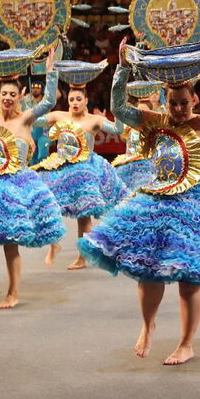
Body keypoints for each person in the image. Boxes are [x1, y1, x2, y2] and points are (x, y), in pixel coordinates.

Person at [79, 30, 200, 365]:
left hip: (197, 207)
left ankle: (186, 343)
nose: (179, 109)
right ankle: (148, 324)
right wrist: (122, 68)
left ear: (194, 100)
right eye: (173, 103)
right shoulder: (154, 123)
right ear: (165, 102)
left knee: (189, 280)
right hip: (158, 204)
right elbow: (118, 108)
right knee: (147, 271)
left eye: (184, 103)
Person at [0, 48, 66, 309]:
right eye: (3, 94)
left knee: (10, 244)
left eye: (12, 94)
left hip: (17, 185)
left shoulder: (26, 119)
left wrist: (50, 73)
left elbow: (48, 102)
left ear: (21, 96)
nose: (7, 98)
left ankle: (13, 292)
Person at [33, 79, 128, 270]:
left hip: (84, 172)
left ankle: (82, 256)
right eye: (71, 100)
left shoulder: (94, 120)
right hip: (61, 169)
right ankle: (54, 244)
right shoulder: (59, 116)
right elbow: (34, 119)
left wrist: (117, 108)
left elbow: (119, 130)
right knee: (43, 203)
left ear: (86, 100)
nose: (74, 103)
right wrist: (47, 87)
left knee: (84, 216)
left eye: (78, 99)